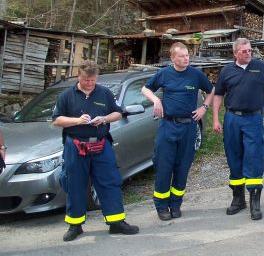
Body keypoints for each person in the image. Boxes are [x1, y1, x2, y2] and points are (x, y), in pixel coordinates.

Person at [52, 60, 139, 242]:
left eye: (92, 80)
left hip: (101, 144)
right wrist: (77, 121)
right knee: (75, 184)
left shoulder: (104, 93)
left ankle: (116, 222)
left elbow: (118, 113)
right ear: (79, 76)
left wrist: (104, 119)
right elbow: (57, 120)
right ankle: (75, 225)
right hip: (75, 145)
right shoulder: (67, 95)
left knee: (110, 182)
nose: (89, 83)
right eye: (86, 80)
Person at [142, 42, 214, 221]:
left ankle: (175, 204)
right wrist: (156, 101)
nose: (186, 58)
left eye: (188, 55)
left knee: (183, 167)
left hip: (189, 127)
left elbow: (212, 90)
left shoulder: (196, 75)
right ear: (173, 58)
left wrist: (204, 107)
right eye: (182, 56)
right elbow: (145, 88)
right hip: (168, 126)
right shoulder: (164, 73)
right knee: (164, 167)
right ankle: (161, 206)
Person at [213, 38, 264, 220]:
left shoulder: (260, 67)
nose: (248, 53)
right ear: (235, 54)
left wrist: (261, 99)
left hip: (253, 119)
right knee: (234, 156)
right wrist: (216, 119)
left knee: (254, 156)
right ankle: (238, 199)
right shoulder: (226, 71)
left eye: (250, 50)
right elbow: (218, 95)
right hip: (232, 118)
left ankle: (255, 202)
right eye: (244, 51)